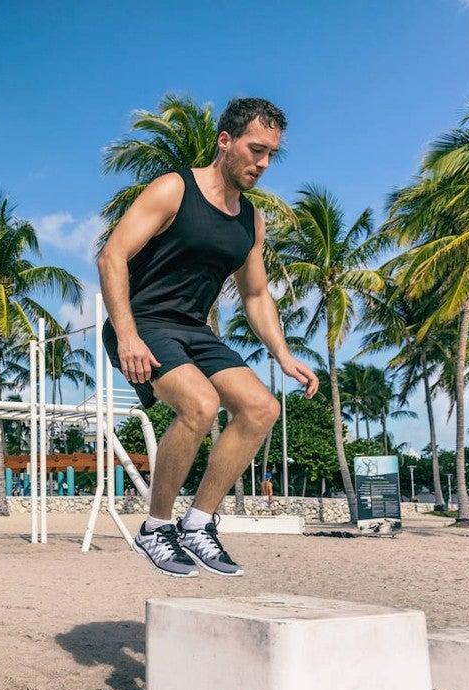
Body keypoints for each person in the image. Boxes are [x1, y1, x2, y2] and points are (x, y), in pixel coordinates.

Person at [97, 97, 318, 578]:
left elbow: (256, 294)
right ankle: (156, 528)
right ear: (225, 141)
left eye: (270, 155)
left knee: (262, 408)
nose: (262, 164)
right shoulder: (174, 189)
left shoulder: (250, 221)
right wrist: (129, 335)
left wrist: (282, 355)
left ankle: (197, 524)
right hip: (141, 322)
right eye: (255, 149)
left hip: (192, 330)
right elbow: (111, 257)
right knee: (200, 404)